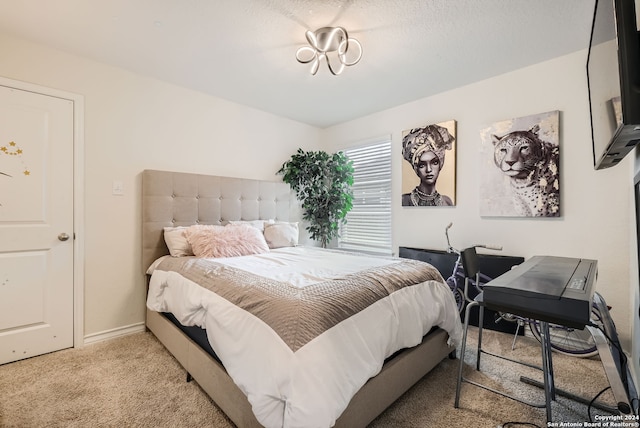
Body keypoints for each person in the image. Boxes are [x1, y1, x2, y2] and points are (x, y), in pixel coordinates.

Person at [401, 124, 454, 206]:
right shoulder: (404, 200)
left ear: (440, 164)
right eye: (422, 165)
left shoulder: (447, 202)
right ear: (416, 168)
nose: (429, 170)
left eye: (434, 162)